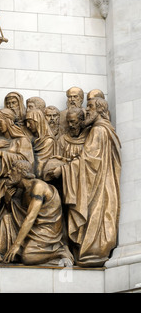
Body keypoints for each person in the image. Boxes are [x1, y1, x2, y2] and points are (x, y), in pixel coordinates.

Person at [47, 97, 121, 267]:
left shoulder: (98, 131)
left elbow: (88, 161)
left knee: (94, 216)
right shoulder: (105, 130)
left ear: (100, 110)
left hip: (97, 185)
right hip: (99, 183)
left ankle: (92, 250)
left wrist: (62, 170)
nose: (87, 110)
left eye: (90, 107)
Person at [2, 160, 74, 266]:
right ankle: (7, 253)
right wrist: (8, 201)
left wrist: (16, 245)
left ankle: (60, 251)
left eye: (12, 170)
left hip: (46, 230)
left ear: (22, 173)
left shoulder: (38, 187)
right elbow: (19, 213)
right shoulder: (22, 191)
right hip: (34, 228)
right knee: (6, 219)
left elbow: (30, 217)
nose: (8, 173)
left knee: (28, 257)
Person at [25, 109, 58, 179]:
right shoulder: (32, 139)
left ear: (37, 122)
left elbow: (41, 164)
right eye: (26, 122)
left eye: (30, 122)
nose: (27, 125)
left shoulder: (48, 141)